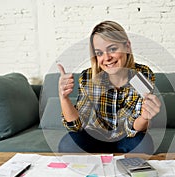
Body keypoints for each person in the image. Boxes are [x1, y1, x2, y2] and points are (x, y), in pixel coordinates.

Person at [57, 20, 161, 154]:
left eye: (112, 49)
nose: (106, 58)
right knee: (67, 144)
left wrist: (144, 117)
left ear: (127, 47)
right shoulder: (89, 77)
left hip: (127, 137)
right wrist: (63, 98)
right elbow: (78, 125)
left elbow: (134, 127)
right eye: (99, 53)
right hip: (95, 137)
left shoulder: (143, 75)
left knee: (144, 144)